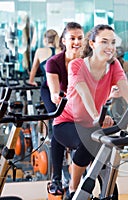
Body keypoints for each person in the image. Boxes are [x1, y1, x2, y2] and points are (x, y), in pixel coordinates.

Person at [51, 24, 128, 199]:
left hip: (93, 125)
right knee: (88, 141)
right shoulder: (76, 65)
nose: (109, 47)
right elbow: (84, 93)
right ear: (92, 43)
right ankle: (74, 188)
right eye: (104, 42)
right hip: (66, 123)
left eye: (112, 42)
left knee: (107, 154)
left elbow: (125, 89)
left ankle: (107, 192)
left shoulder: (114, 65)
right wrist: (97, 115)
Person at [46, 22, 84, 196]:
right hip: (53, 92)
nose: (76, 42)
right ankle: (56, 178)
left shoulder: (86, 61)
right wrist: (56, 97)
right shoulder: (54, 62)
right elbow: (55, 92)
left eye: (79, 38)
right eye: (72, 38)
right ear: (63, 41)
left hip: (74, 98)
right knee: (58, 122)